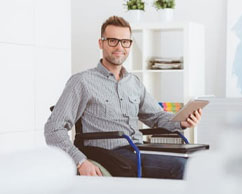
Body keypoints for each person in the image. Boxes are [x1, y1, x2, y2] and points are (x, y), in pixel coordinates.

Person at [44, 15, 202, 179]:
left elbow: (155, 116)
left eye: (125, 41)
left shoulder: (133, 82)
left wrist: (182, 121)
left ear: (130, 44)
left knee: (195, 163)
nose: (120, 47)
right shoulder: (82, 81)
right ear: (101, 43)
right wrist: (80, 161)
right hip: (107, 153)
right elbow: (53, 128)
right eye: (113, 40)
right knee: (181, 168)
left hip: (137, 149)